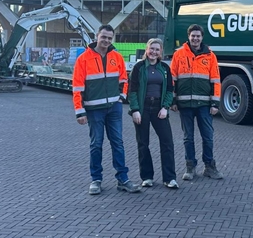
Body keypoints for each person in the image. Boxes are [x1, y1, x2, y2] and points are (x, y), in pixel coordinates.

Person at [72, 24, 141, 195]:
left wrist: (121, 98)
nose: (106, 40)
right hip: (94, 110)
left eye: (110, 38)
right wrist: (79, 111)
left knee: (118, 143)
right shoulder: (83, 59)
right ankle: (96, 179)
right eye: (103, 37)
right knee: (96, 144)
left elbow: (124, 79)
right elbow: (77, 87)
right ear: (97, 36)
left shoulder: (117, 57)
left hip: (114, 109)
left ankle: (123, 179)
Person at [170, 24, 225, 180]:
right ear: (188, 36)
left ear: (202, 37)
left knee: (208, 137)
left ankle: (209, 167)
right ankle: (190, 167)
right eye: (193, 36)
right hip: (185, 105)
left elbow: (216, 80)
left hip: (204, 105)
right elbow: (172, 79)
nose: (195, 38)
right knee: (188, 138)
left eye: (198, 36)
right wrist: (172, 100)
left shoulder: (210, 56)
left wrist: (215, 103)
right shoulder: (179, 54)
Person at [128, 38, 179, 189]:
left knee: (167, 142)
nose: (154, 52)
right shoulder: (138, 68)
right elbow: (132, 90)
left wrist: (165, 107)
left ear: (161, 51)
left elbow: (169, 90)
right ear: (146, 49)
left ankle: (169, 178)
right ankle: (147, 177)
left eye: (157, 49)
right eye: (152, 48)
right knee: (143, 143)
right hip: (142, 108)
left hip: (159, 108)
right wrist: (135, 110)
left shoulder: (164, 68)